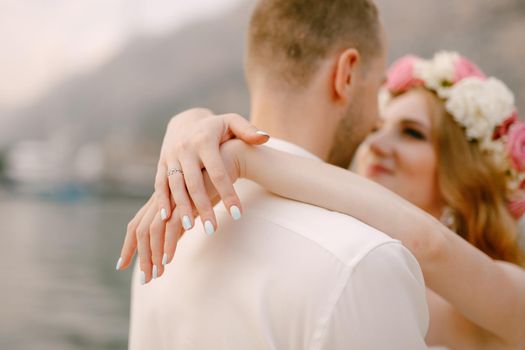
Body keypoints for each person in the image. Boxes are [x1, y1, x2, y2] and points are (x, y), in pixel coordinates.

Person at [123, 52, 525, 349]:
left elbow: (431, 245)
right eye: (379, 126)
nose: (378, 143)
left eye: (412, 133)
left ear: (464, 178)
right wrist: (191, 123)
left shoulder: (508, 295)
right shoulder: (336, 253)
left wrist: (247, 159)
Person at [117, 0, 431, 349]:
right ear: (347, 74)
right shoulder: (363, 261)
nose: (377, 123)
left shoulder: (162, 235)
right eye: (378, 89)